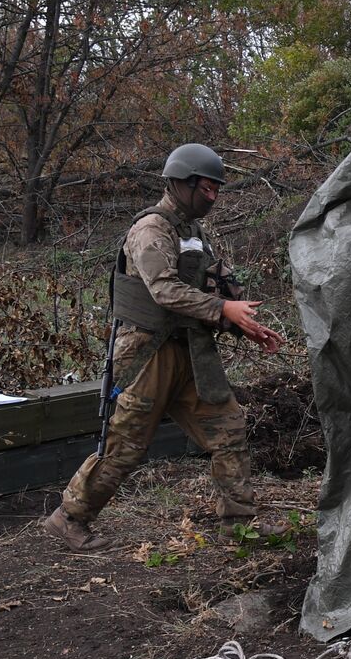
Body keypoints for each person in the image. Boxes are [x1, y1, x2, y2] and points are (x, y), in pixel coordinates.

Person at [44, 143, 284, 551]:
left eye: (216, 190)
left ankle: (239, 524)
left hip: (191, 351)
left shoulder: (193, 234)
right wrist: (224, 307)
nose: (213, 198)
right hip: (146, 354)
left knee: (228, 430)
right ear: (181, 183)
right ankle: (69, 518)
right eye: (206, 189)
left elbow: (216, 284)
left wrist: (244, 324)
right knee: (125, 446)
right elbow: (164, 290)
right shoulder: (151, 230)